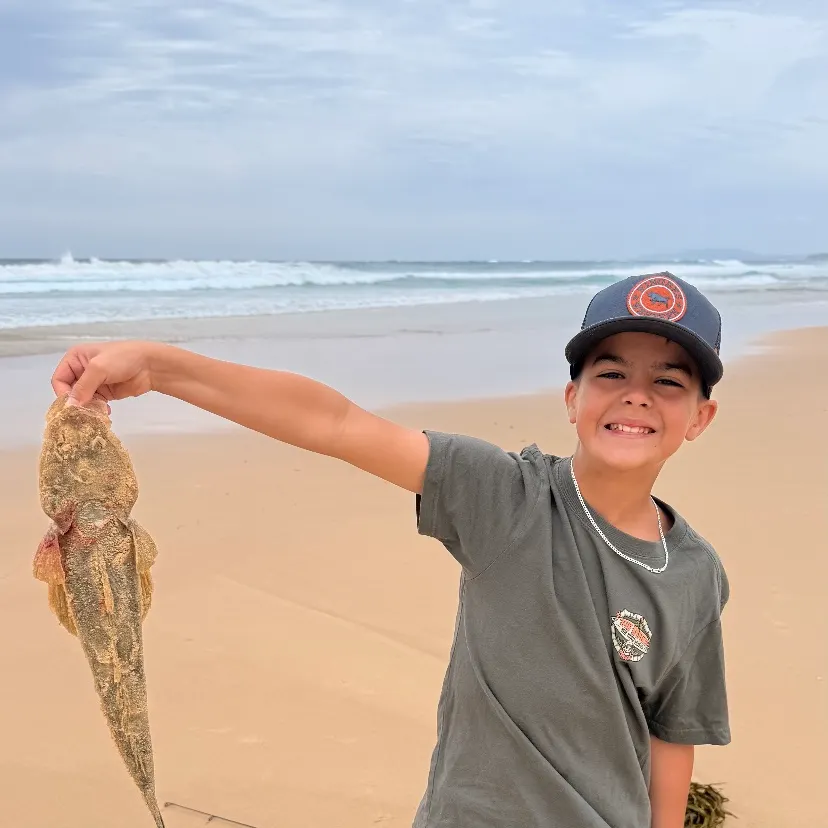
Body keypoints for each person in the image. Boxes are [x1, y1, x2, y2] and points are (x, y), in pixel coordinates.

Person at [51, 271, 731, 828]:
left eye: (668, 382)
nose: (637, 395)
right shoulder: (503, 496)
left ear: (699, 417)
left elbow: (673, 731)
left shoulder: (694, 573)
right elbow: (335, 422)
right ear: (572, 398)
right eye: (611, 375)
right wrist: (159, 366)